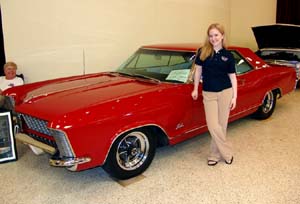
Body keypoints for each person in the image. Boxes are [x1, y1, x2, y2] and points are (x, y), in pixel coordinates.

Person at [191, 23, 237, 166]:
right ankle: (227, 152)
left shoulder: (228, 55)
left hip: (225, 92)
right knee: (213, 125)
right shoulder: (202, 52)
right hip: (209, 93)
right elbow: (198, 71)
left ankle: (214, 155)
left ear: (222, 36)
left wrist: (235, 96)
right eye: (211, 35)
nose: (213, 38)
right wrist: (195, 88)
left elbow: (232, 76)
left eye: (216, 35)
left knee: (222, 126)